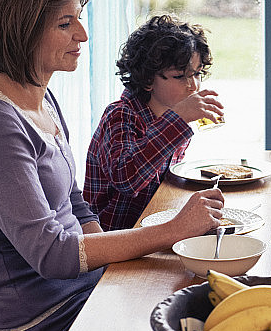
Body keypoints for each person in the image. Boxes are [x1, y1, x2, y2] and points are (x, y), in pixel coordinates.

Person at [0, 0, 225, 331]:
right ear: (20, 28)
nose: (83, 34)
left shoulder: (38, 96)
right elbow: (54, 254)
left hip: (79, 293)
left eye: (78, 18)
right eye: (65, 23)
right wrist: (169, 231)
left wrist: (118, 272)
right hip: (37, 329)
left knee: (207, 304)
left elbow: (75, 203)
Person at [84, 15, 224, 230]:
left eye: (196, 74)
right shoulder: (120, 115)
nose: (193, 86)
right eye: (180, 76)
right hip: (116, 239)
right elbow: (127, 180)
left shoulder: (169, 117)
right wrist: (177, 120)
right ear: (148, 79)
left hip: (154, 228)